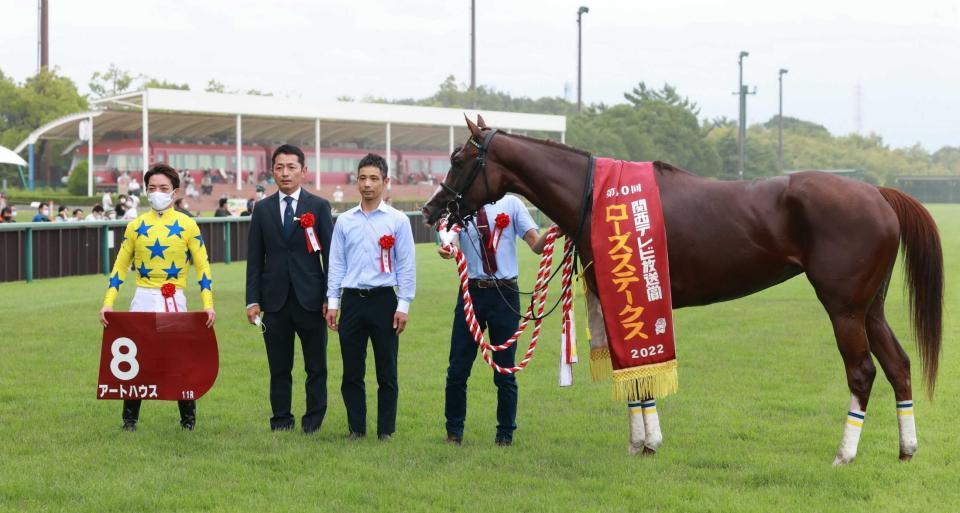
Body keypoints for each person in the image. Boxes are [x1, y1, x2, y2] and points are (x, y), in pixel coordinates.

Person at [99, 163, 216, 431]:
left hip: (174, 299)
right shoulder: (136, 226)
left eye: (163, 188)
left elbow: (203, 267)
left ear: (175, 192)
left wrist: (208, 305)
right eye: (152, 188)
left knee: (179, 360)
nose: (157, 193)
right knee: (137, 359)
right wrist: (108, 303)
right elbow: (119, 268)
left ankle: (188, 421)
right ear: (145, 191)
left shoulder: (187, 225)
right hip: (142, 298)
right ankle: (129, 420)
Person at [437, 194, 552, 447]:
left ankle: (505, 434)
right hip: (472, 293)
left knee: (505, 371)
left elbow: (536, 245)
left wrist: (558, 230)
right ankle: (453, 432)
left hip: (505, 294)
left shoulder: (511, 204)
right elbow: (449, 238)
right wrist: (448, 248)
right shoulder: (460, 204)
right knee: (457, 368)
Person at [325, 153, 415, 441]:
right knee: (352, 371)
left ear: (386, 182)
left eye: (374, 178)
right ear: (357, 181)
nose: (367, 184)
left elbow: (406, 266)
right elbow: (336, 263)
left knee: (386, 371)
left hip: (384, 301)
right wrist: (334, 302)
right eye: (363, 178)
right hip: (351, 301)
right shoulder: (344, 221)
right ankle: (356, 429)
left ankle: (385, 430)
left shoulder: (398, 221)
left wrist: (403, 305)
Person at [245, 144, 333, 433]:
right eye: (279, 167)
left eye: (291, 167)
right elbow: (255, 259)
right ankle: (281, 420)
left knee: (316, 367)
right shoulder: (262, 209)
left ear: (303, 171)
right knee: (279, 368)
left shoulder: (319, 207)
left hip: (312, 300)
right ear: (272, 171)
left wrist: (330, 298)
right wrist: (252, 300)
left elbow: (330, 256)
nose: (285, 173)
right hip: (274, 302)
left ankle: (313, 422)